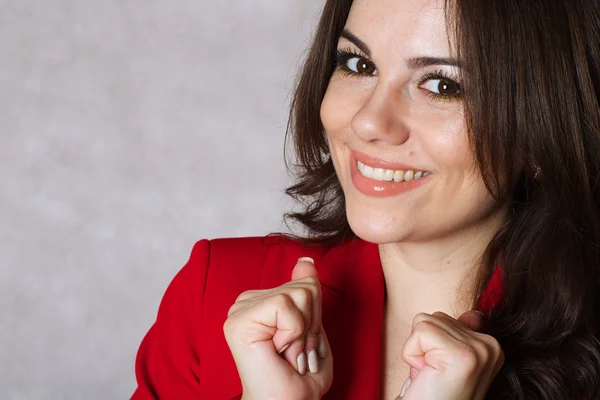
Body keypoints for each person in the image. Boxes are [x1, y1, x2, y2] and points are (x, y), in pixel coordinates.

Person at [131, 0, 600, 398]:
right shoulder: (215, 295)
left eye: (442, 85)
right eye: (359, 64)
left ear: (543, 134)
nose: (369, 123)